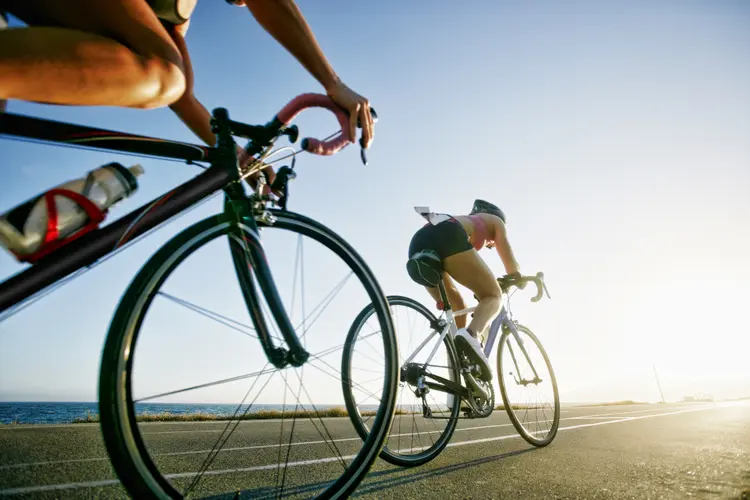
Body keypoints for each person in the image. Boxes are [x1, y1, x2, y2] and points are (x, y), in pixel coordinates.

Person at [0, 0, 375, 191]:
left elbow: (180, 94)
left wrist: (245, 163)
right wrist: (332, 82)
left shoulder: (176, 9)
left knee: (168, 74)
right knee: (164, 72)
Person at [406, 199, 524, 380]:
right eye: (491, 244)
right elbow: (508, 258)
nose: (490, 245)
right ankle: (472, 334)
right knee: (493, 295)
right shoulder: (495, 221)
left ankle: (460, 366)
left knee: (457, 308)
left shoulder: (464, 220)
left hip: (418, 242)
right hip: (448, 236)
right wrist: (518, 276)